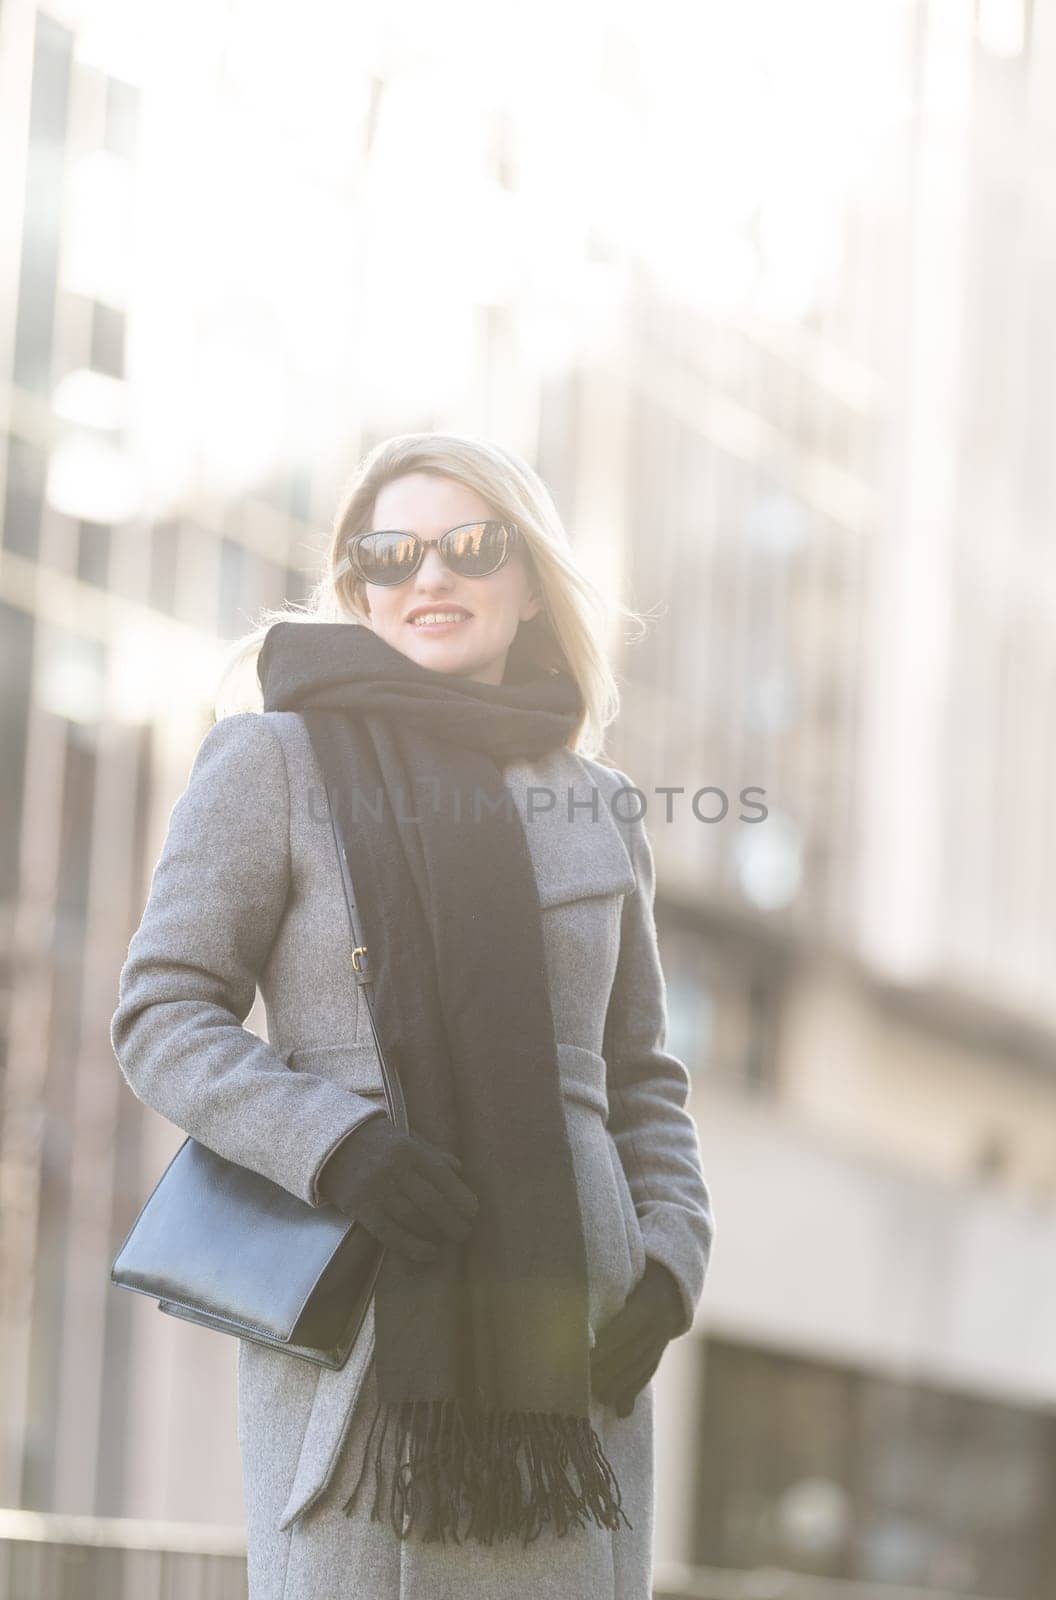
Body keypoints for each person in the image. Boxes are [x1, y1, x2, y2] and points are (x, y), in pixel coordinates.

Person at [110, 432, 714, 1600]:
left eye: (468, 546)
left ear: (528, 578)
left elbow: (642, 1077)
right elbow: (161, 1015)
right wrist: (336, 1144)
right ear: (356, 586)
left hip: (572, 1355)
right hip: (364, 1337)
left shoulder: (599, 806)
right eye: (388, 553)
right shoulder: (269, 762)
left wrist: (669, 1261)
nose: (426, 577)